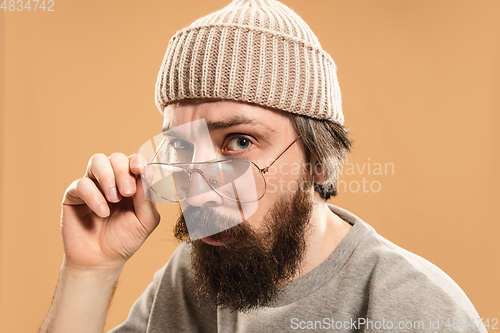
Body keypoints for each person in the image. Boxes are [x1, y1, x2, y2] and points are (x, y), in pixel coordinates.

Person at [39, 0, 486, 332]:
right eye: (183, 147)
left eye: (238, 141)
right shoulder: (188, 284)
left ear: (318, 159)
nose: (203, 190)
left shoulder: (418, 311)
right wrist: (90, 272)